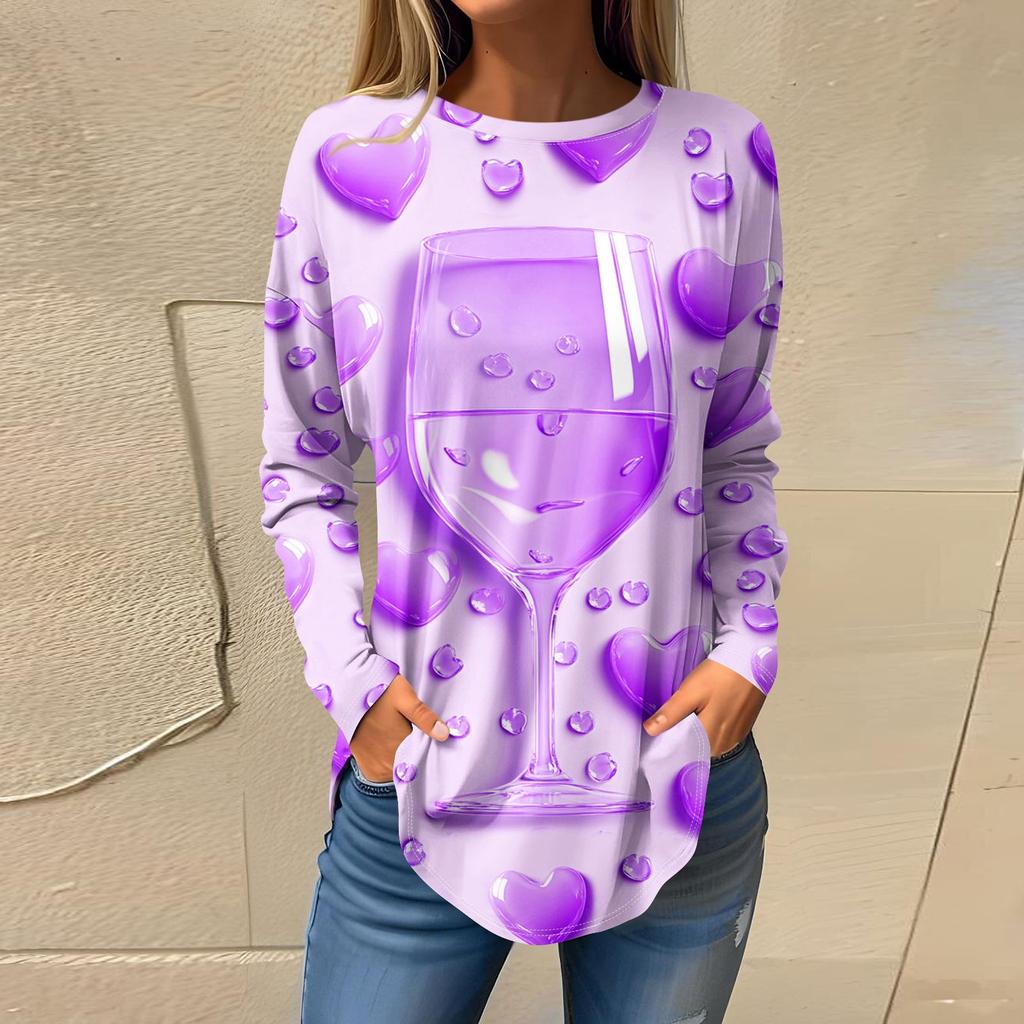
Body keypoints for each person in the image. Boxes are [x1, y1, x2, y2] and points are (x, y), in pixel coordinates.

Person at [257, 1, 788, 1020]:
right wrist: (354, 687)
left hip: (676, 777)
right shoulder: (348, 155)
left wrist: (748, 647)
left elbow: (731, 446)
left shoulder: (723, 151)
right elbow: (302, 462)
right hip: (425, 778)